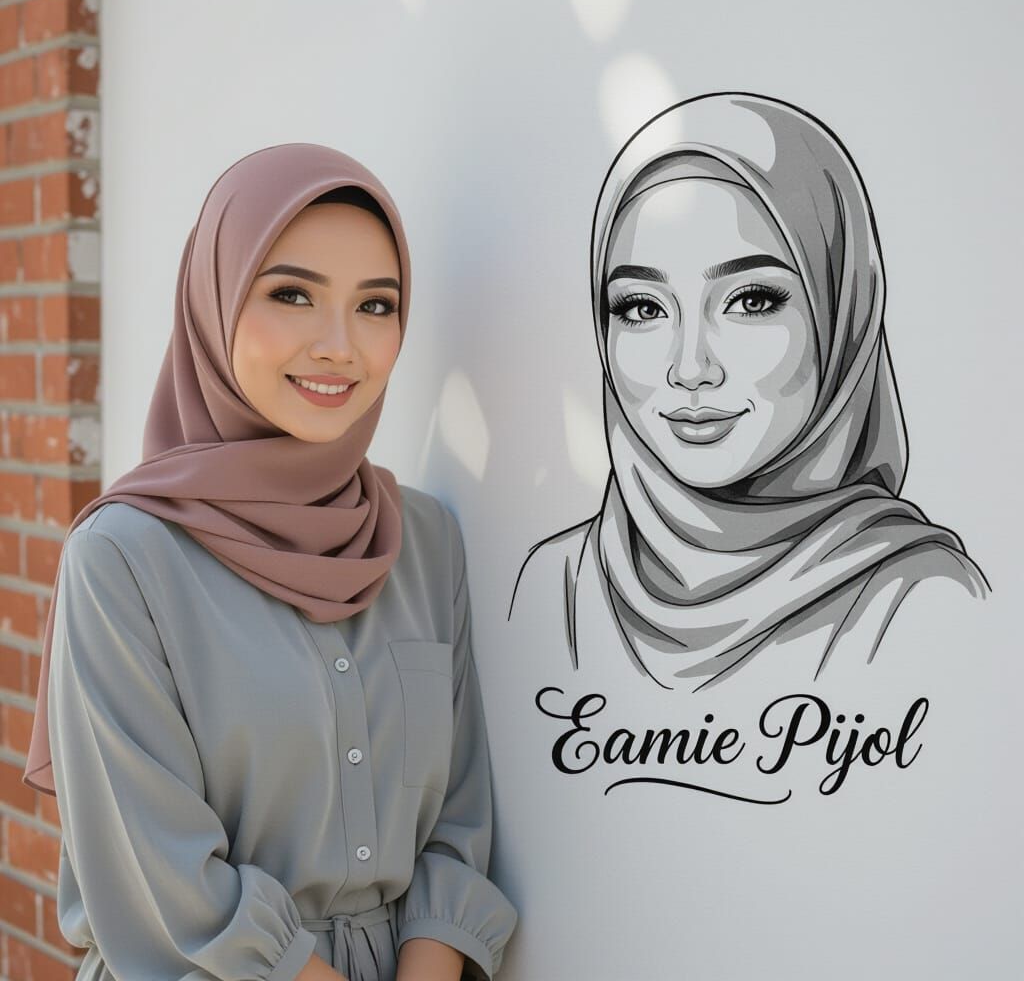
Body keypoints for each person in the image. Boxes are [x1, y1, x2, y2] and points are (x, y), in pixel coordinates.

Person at [22, 143, 517, 981]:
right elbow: (163, 880)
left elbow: (458, 818)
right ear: (212, 305)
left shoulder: (425, 539)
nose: (338, 345)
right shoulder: (123, 560)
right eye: (292, 294)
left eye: (376, 304)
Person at [508, 92, 989, 691]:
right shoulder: (556, 585)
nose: (690, 367)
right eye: (641, 307)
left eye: (751, 302)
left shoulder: (919, 597)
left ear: (841, 315)